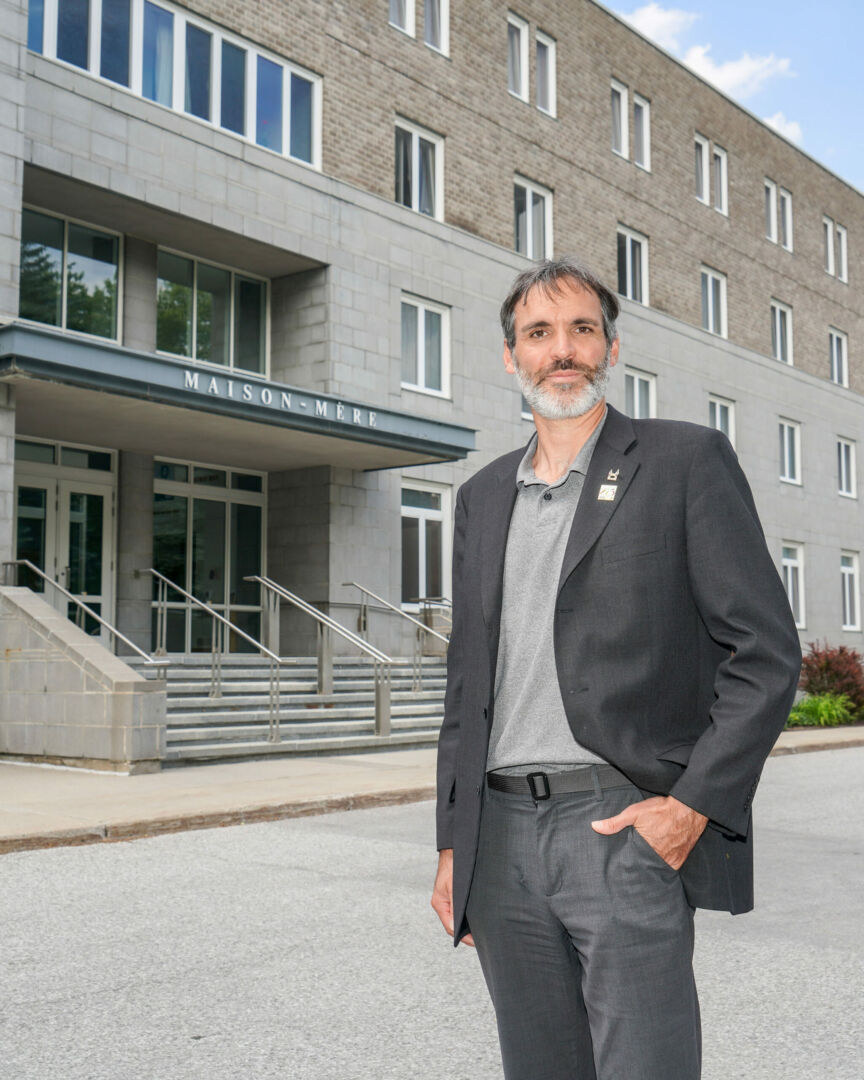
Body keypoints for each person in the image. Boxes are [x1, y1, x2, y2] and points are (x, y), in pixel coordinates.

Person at [430, 256, 802, 1080]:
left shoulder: (683, 462)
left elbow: (766, 655)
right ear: (509, 357)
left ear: (612, 347)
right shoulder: (482, 496)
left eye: (581, 330)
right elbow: (467, 686)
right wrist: (454, 845)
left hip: (620, 825)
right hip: (499, 844)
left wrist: (690, 807)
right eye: (538, 333)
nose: (561, 349)